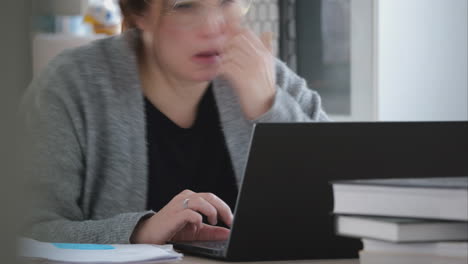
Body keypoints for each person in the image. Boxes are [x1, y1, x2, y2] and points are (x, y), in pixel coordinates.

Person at [20, 0, 329, 246]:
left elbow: (342, 200)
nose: (212, 27)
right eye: (184, 6)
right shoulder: (70, 87)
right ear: (139, 12)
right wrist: (139, 232)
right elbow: (24, 228)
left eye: (226, 1)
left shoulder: (265, 74)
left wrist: (269, 106)